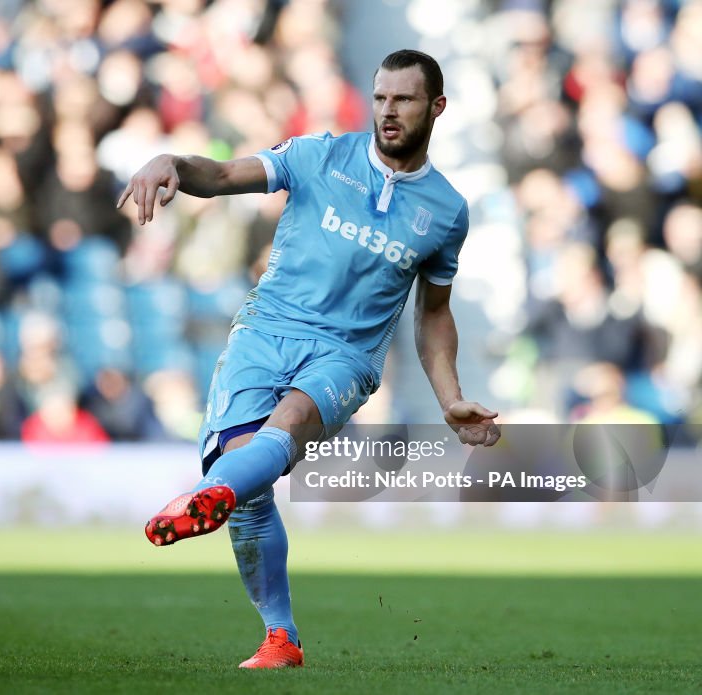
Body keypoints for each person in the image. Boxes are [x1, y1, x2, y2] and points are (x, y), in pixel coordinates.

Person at [117, 50, 501, 669]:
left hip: (347, 355)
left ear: (437, 108)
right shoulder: (317, 155)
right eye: (379, 98)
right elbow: (218, 176)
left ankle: (201, 496)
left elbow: (433, 314)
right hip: (264, 331)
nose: (388, 111)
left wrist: (450, 397)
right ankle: (280, 638)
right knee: (248, 489)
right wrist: (170, 161)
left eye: (403, 99)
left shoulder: (447, 212)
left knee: (286, 428)